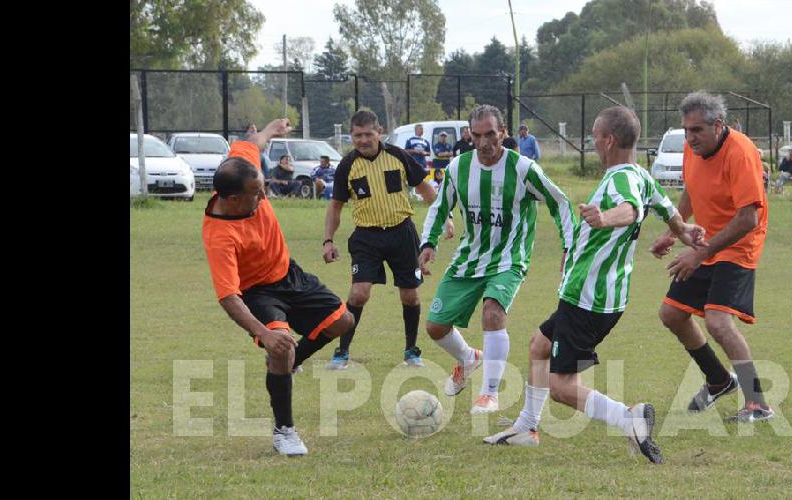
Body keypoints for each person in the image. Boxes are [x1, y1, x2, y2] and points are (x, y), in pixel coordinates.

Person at [485, 106, 706, 465]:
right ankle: (526, 427)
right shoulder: (641, 175)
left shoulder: (621, 179)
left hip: (587, 299)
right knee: (539, 344)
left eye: (594, 136)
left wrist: (604, 218)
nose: (592, 142)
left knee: (561, 386)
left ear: (608, 140)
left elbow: (630, 210)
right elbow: (669, 211)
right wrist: (684, 233)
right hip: (599, 296)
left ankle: (628, 417)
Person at [201, 117, 356, 457]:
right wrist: (265, 334)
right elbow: (228, 296)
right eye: (256, 193)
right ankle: (284, 430)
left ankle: (291, 358)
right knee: (279, 347)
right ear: (230, 198)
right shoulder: (220, 236)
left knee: (344, 322)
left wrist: (273, 129)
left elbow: (253, 142)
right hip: (257, 293)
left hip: (289, 274)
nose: (263, 196)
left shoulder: (241, 166)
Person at [419, 104, 576, 414]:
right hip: (469, 258)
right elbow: (440, 207)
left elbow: (560, 204)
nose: (484, 142)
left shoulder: (523, 169)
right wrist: (428, 242)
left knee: (492, 312)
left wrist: (569, 246)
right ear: (470, 136)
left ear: (503, 132)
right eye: (477, 135)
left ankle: (489, 393)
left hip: (509, 258)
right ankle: (469, 358)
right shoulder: (457, 168)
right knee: (436, 327)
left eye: (491, 134)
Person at [653, 91, 774, 424]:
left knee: (719, 321)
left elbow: (747, 219)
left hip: (738, 244)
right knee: (671, 315)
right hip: (705, 241)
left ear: (717, 125)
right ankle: (719, 381)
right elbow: (692, 190)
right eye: (686, 130)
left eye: (696, 131)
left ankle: (758, 403)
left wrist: (700, 254)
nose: (689, 139)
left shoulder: (741, 153)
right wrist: (672, 232)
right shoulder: (695, 150)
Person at [322, 111, 453, 370]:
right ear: (352, 136)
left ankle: (411, 351)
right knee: (359, 294)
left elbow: (425, 189)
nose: (363, 140)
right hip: (366, 237)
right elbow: (335, 206)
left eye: (368, 134)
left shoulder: (398, 156)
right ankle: (342, 352)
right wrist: (328, 240)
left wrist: (445, 216)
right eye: (357, 135)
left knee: (410, 296)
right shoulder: (347, 165)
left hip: (402, 233)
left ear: (379, 132)